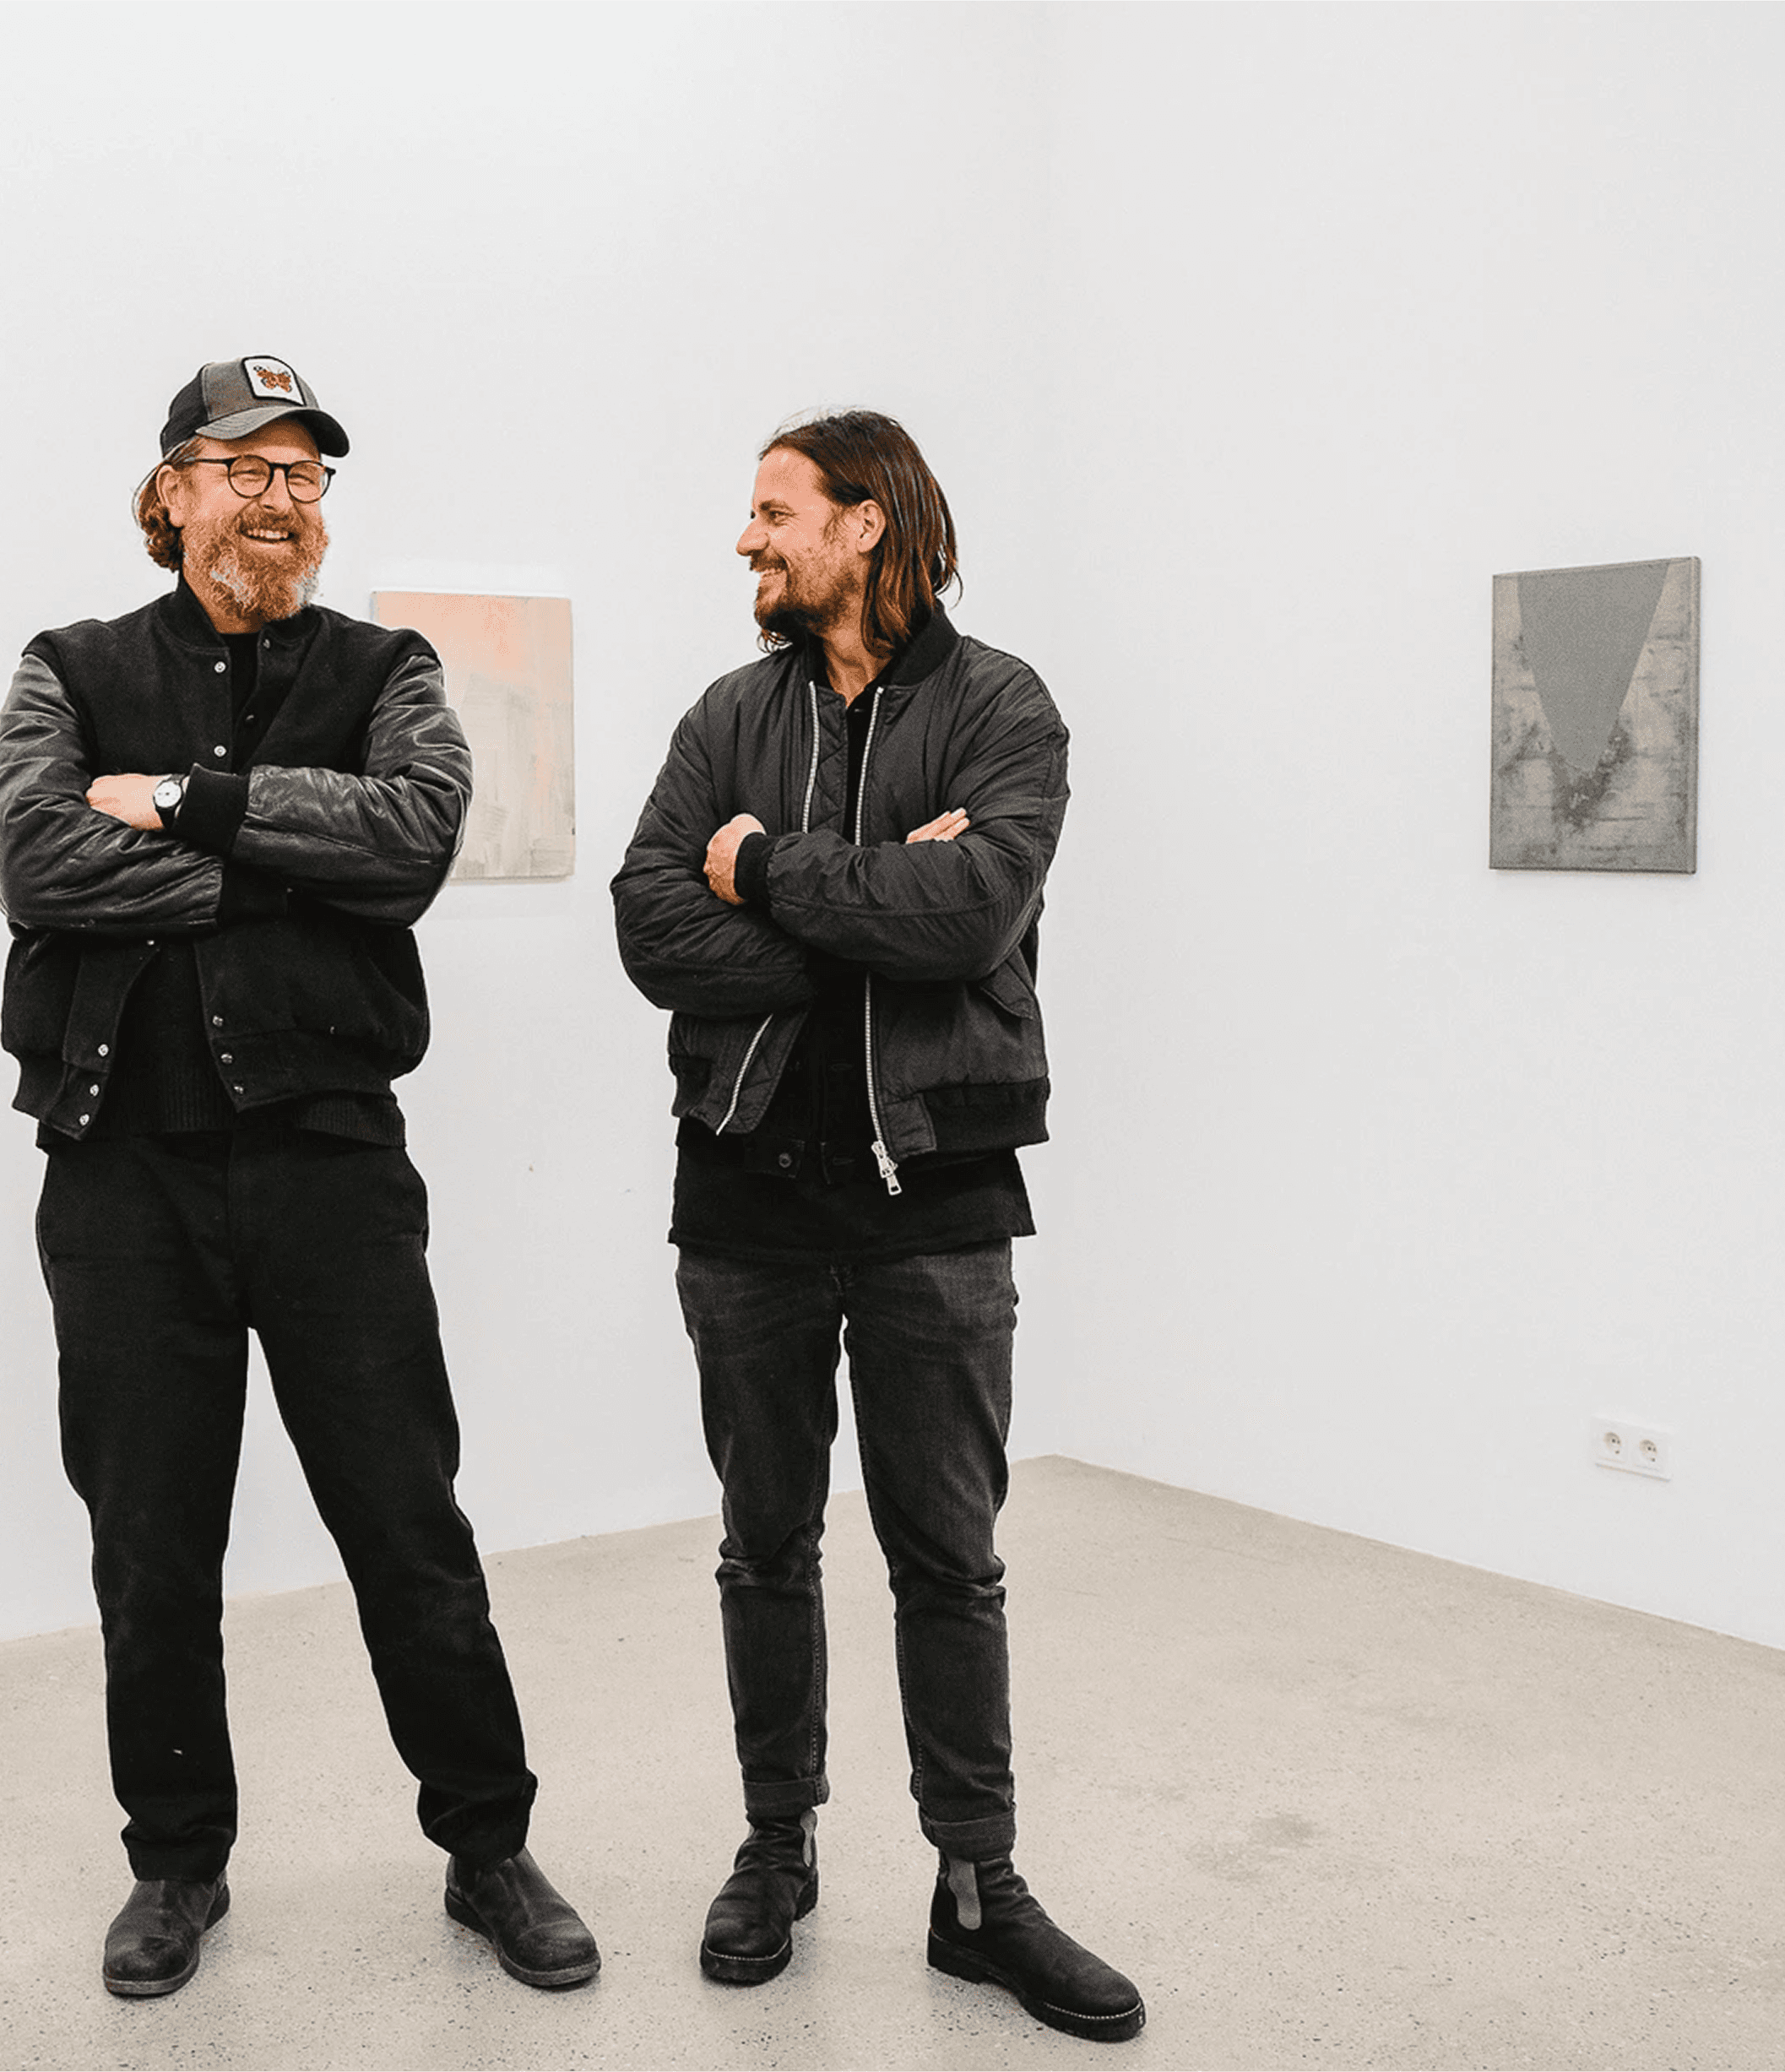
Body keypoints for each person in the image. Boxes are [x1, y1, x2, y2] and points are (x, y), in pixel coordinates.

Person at [0, 356, 598, 2000]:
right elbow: (38, 857)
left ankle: (488, 1848)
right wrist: (276, 876)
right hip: (123, 1178)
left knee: (406, 1520)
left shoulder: (389, 667)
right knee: (151, 1539)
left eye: (306, 474)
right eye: (244, 466)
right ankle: (176, 1866)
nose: (280, 497)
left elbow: (413, 834)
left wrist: (193, 809)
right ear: (170, 493)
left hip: (330, 1170)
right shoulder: (69, 667)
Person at [609, 410, 1144, 2042]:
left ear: (868, 521)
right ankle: (779, 1848)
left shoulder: (1003, 707)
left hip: (940, 1205)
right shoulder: (726, 712)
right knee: (764, 1546)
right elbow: (649, 921)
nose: (749, 542)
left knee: (948, 1562)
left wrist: (762, 866)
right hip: (747, 1200)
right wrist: (864, 914)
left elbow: (978, 911)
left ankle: (976, 1885)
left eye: (775, 513)